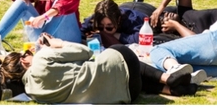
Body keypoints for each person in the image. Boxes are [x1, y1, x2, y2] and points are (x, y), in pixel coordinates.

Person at [22, 33, 197, 103]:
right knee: (117, 55)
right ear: (23, 61)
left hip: (128, 94)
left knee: (117, 76)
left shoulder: (33, 92)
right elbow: (84, 52)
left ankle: (169, 90)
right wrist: (56, 44)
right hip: (125, 64)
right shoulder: (41, 59)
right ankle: (167, 78)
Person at [80, 0, 148, 48]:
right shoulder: (95, 18)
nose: (104, 30)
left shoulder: (132, 20)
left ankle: (138, 1)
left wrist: (117, 35)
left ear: (118, 20)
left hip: (144, 9)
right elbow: (79, 30)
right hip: (124, 6)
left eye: (109, 27)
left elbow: (139, 39)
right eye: (100, 26)